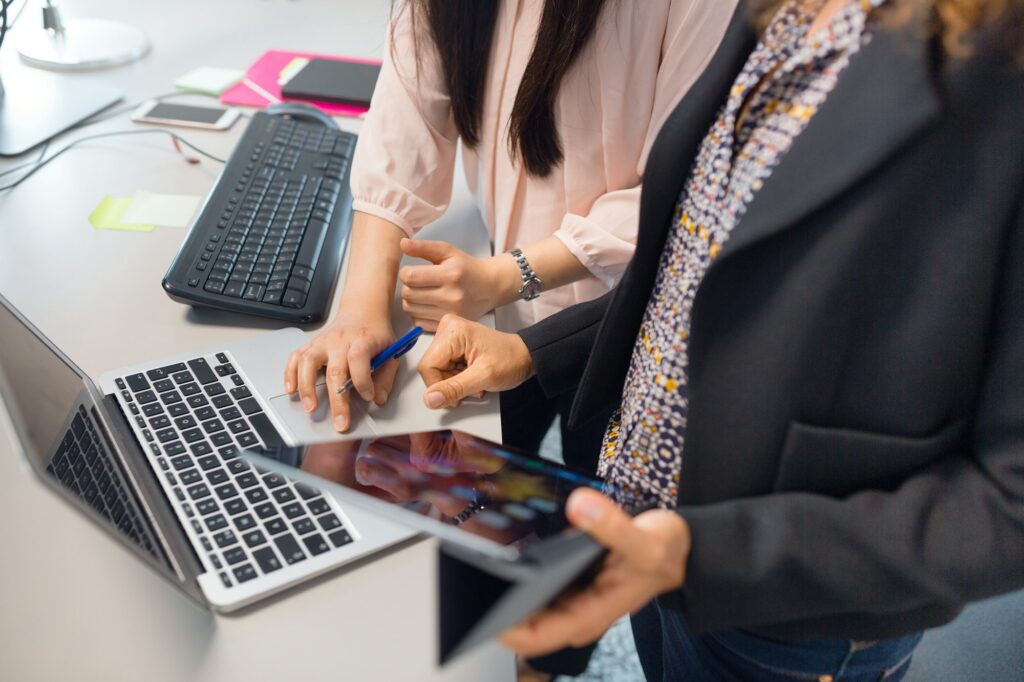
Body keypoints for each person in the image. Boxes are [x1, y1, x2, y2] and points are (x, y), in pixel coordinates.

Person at [415, 0, 1024, 679]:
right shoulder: (786, 11)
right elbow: (699, 271)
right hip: (652, 525)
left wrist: (704, 555)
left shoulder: (1002, 67)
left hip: (789, 611)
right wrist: (535, 351)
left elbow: (1010, 502)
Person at [282, 0, 738, 478]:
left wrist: (505, 276)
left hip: (622, 322)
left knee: (591, 501)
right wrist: (360, 309)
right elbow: (406, 118)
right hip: (492, 313)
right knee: (474, 493)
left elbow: (686, 187)